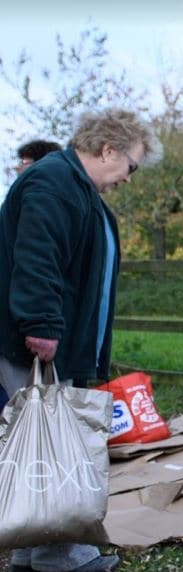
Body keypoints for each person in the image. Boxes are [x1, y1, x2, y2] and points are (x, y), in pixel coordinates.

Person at [0, 109, 155, 572]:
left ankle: (31, 548)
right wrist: (42, 322)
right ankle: (56, 553)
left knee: (41, 439)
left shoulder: (72, 186)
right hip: (38, 339)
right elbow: (38, 256)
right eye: (131, 166)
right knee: (52, 442)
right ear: (108, 149)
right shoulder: (55, 185)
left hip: (53, 336)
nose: (128, 178)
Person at [0, 139, 64, 408]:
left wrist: (40, 324)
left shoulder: (43, 204)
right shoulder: (19, 205)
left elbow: (37, 263)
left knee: (25, 414)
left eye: (24, 163)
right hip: (15, 330)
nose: (18, 169)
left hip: (25, 334)